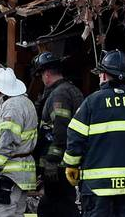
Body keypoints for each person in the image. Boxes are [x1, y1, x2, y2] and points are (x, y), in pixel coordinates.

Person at [63, 50, 125, 217]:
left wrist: (71, 165)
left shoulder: (92, 102)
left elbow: (75, 137)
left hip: (97, 187)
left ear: (105, 76)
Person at [0, 66, 39, 217]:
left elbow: (7, 142)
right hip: (20, 175)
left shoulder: (10, 107)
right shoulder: (26, 103)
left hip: (7, 174)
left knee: (0, 213)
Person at [32, 52, 84, 217]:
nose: (41, 79)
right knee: (58, 203)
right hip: (69, 160)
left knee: (57, 205)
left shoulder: (59, 94)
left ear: (46, 74)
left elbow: (60, 131)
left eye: (41, 75)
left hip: (58, 164)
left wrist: (51, 161)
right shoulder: (72, 90)